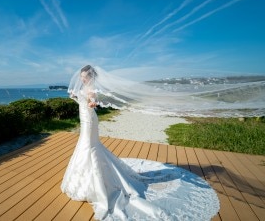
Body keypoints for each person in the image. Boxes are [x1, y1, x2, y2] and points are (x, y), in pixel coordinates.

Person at [61, 65, 219, 220]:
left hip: (90, 120)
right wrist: (77, 97)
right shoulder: (84, 87)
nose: (82, 79)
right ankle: (82, 180)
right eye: (81, 77)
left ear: (91, 77)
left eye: (85, 77)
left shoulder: (92, 88)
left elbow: (93, 102)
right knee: (85, 145)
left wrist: (90, 102)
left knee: (90, 146)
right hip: (84, 119)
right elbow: (81, 100)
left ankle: (95, 184)